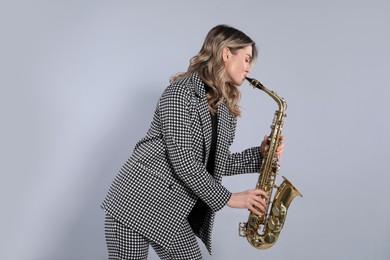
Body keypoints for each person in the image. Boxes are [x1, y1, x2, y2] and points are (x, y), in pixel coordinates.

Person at [101, 24, 284, 260]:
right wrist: (229, 198)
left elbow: (215, 163)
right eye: (246, 59)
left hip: (171, 212)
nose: (249, 68)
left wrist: (261, 155)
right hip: (135, 205)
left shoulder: (225, 108)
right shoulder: (179, 94)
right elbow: (184, 161)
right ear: (226, 53)